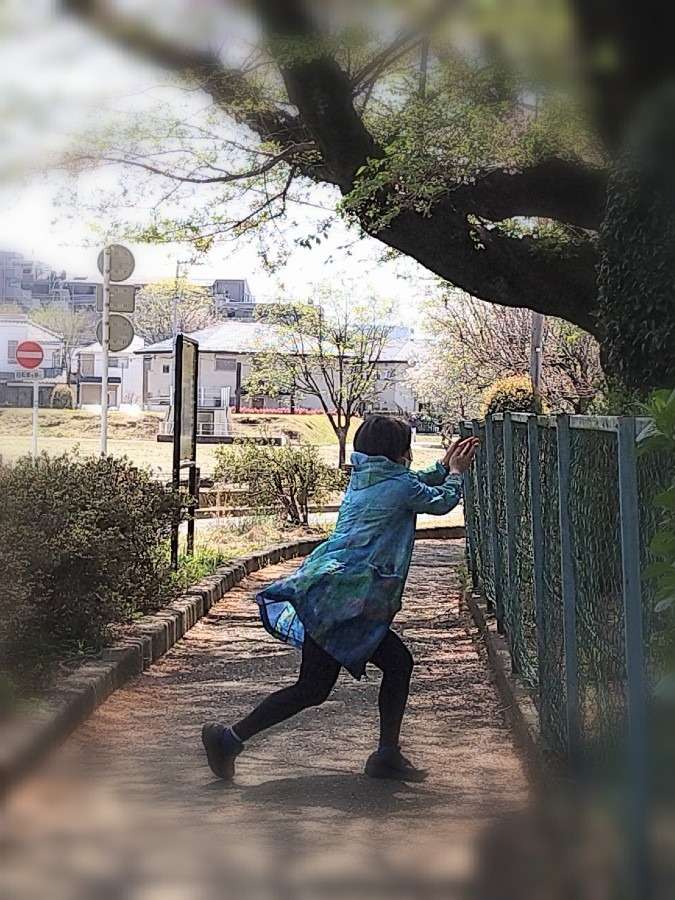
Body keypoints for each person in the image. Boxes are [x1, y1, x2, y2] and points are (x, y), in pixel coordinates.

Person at [202, 415, 479, 783]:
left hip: (332, 592)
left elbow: (415, 483)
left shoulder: (368, 477)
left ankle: (384, 754)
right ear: (400, 451)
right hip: (346, 601)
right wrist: (457, 473)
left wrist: (444, 464)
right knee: (338, 681)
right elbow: (440, 502)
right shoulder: (396, 485)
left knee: (332, 683)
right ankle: (230, 739)